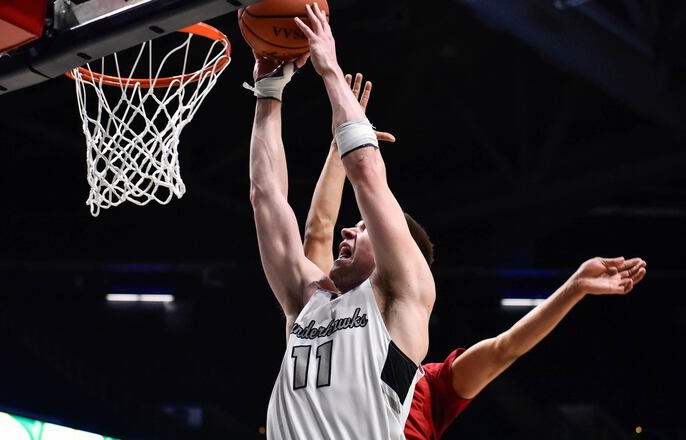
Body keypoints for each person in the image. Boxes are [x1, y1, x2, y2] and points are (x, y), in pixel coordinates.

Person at [301, 73, 649, 440]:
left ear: (395, 259)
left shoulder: (427, 387)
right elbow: (318, 231)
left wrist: (575, 287)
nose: (348, 231)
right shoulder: (318, 326)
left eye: (365, 228)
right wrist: (339, 146)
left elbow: (504, 348)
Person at [247, 3, 435, 438]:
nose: (349, 229)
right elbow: (266, 197)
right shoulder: (307, 301)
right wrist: (268, 91)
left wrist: (329, 67)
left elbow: (366, 173)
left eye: (364, 229)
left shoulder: (403, 300)